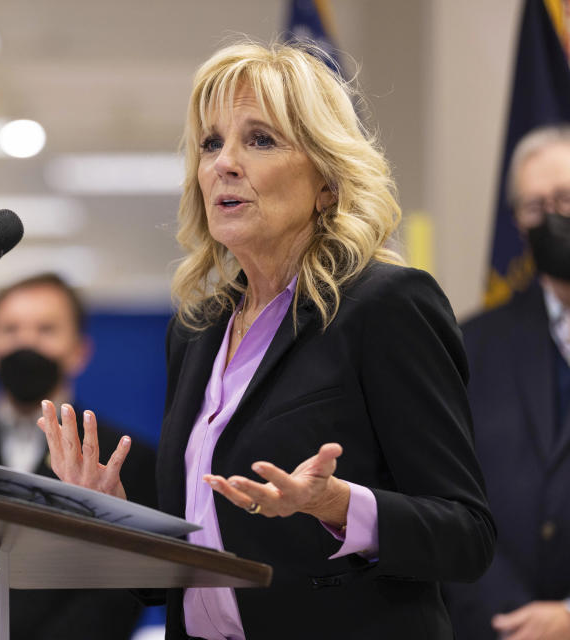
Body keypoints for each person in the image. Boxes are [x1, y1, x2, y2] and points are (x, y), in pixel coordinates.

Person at [37, 40, 496, 639]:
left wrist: (337, 506)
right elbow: (183, 576)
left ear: (327, 180)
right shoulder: (197, 331)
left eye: (259, 140)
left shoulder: (385, 307)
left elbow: (467, 536)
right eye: (211, 143)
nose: (224, 162)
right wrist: (112, 516)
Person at [0, 272, 158, 640]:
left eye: (46, 329)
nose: (26, 342)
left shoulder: (127, 459)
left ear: (80, 351)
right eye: (10, 329)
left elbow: (123, 589)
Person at [442, 125, 570, 640]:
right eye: (535, 208)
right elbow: (446, 493)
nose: (551, 218)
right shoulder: (469, 344)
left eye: (564, 198)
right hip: (492, 626)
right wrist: (510, 617)